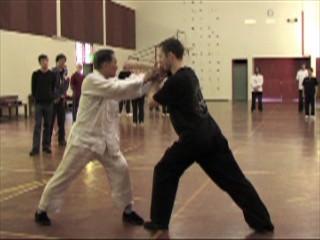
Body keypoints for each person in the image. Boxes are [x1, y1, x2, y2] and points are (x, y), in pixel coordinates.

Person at [143, 38, 274, 233]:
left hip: (193, 139)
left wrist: (153, 81)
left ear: (171, 56)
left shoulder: (177, 81)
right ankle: (262, 221)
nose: (161, 61)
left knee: (164, 170)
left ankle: (159, 221)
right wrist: (163, 76)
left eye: (162, 57)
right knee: (233, 180)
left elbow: (151, 103)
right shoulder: (190, 74)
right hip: (211, 134)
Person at [34, 49, 160, 226]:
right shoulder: (92, 81)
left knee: (121, 169)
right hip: (83, 141)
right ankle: (42, 209)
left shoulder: (110, 81)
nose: (117, 65)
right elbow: (118, 89)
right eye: (114, 63)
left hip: (106, 142)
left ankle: (128, 210)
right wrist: (147, 76)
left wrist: (154, 78)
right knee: (64, 174)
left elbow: (131, 89)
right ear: (105, 65)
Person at [29, 55, 56, 156]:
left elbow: (53, 87)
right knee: (37, 125)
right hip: (39, 103)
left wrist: (51, 96)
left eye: (46, 61)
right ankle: (35, 147)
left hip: (49, 103)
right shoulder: (36, 74)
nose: (45, 63)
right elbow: (33, 89)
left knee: (48, 125)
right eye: (43, 61)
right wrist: (36, 98)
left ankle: (46, 146)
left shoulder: (52, 75)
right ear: (40, 62)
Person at [50, 54, 69, 146]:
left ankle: (61, 139)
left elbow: (65, 84)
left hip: (61, 99)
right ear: (57, 61)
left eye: (64, 61)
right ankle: (47, 141)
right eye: (61, 61)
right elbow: (52, 86)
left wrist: (62, 94)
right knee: (51, 119)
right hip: (54, 99)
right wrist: (55, 96)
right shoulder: (53, 72)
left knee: (62, 119)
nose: (63, 63)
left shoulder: (65, 71)